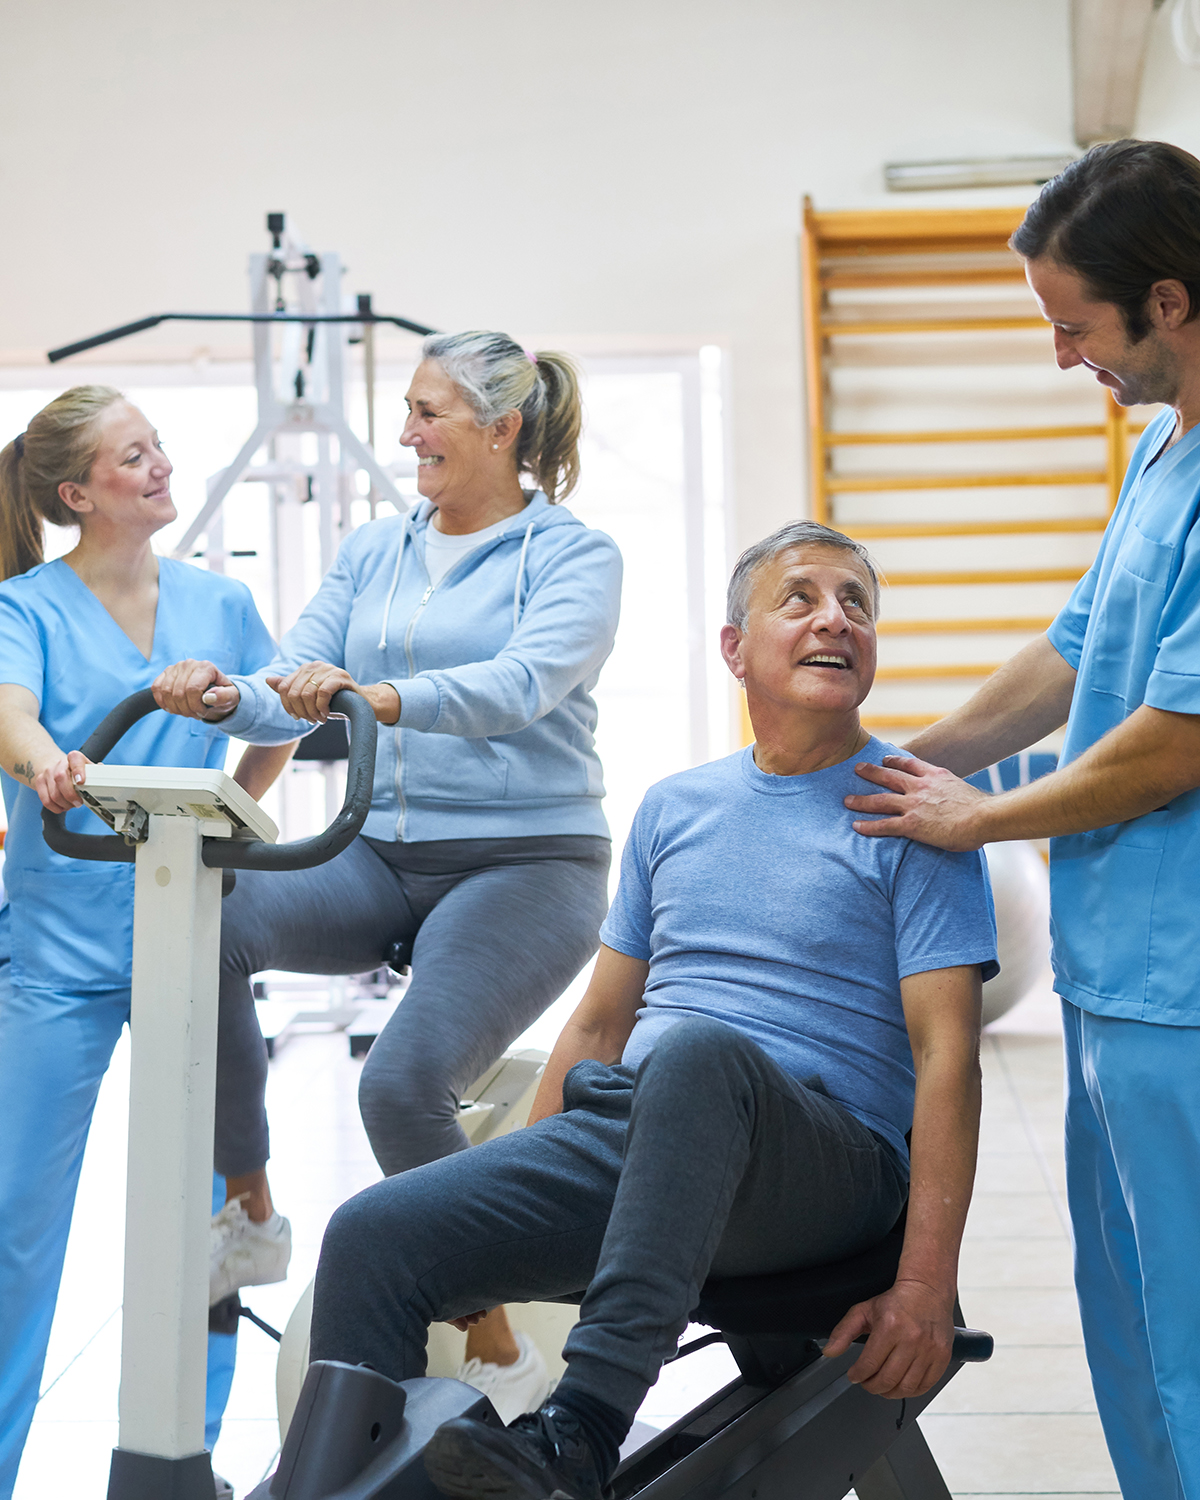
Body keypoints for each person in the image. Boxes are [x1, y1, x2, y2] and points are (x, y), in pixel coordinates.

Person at [304, 519, 998, 1500]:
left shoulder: (913, 813)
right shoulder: (676, 807)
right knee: (374, 1235)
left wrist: (925, 1287)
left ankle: (580, 1435)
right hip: (638, 1131)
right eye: (801, 597)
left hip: (821, 1164)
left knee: (698, 1058)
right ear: (734, 647)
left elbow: (947, 1060)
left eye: (858, 605)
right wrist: (500, 1199)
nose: (836, 619)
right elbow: (597, 1026)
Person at [153, 331, 622, 1420]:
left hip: (528, 860)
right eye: (407, 409)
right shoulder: (377, 548)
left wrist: (378, 697)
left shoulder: (571, 554)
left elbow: (522, 684)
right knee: (209, 917)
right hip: (378, 854)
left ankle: (503, 1357)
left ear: (501, 429)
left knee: (400, 1086)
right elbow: (293, 674)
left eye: (428, 413)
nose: (405, 435)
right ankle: (252, 1208)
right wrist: (230, 696)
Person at [842, 140, 1200, 1500]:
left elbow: (1172, 744)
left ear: (1165, 301)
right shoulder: (1163, 453)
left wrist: (968, 824)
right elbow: (1063, 660)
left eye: (1074, 327)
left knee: (1193, 1331)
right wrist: (877, 769)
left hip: (1187, 988)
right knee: (1131, 1321)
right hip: (1123, 977)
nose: (1064, 358)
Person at [0, 386, 294, 1499]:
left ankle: (185, 1461)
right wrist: (46, 765)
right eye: (136, 456)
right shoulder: (24, 605)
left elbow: (281, 715)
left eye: (159, 446)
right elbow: (12, 711)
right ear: (79, 494)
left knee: (202, 1227)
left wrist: (239, 811)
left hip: (187, 944)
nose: (163, 466)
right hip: (60, 956)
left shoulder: (219, 602)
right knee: (14, 1230)